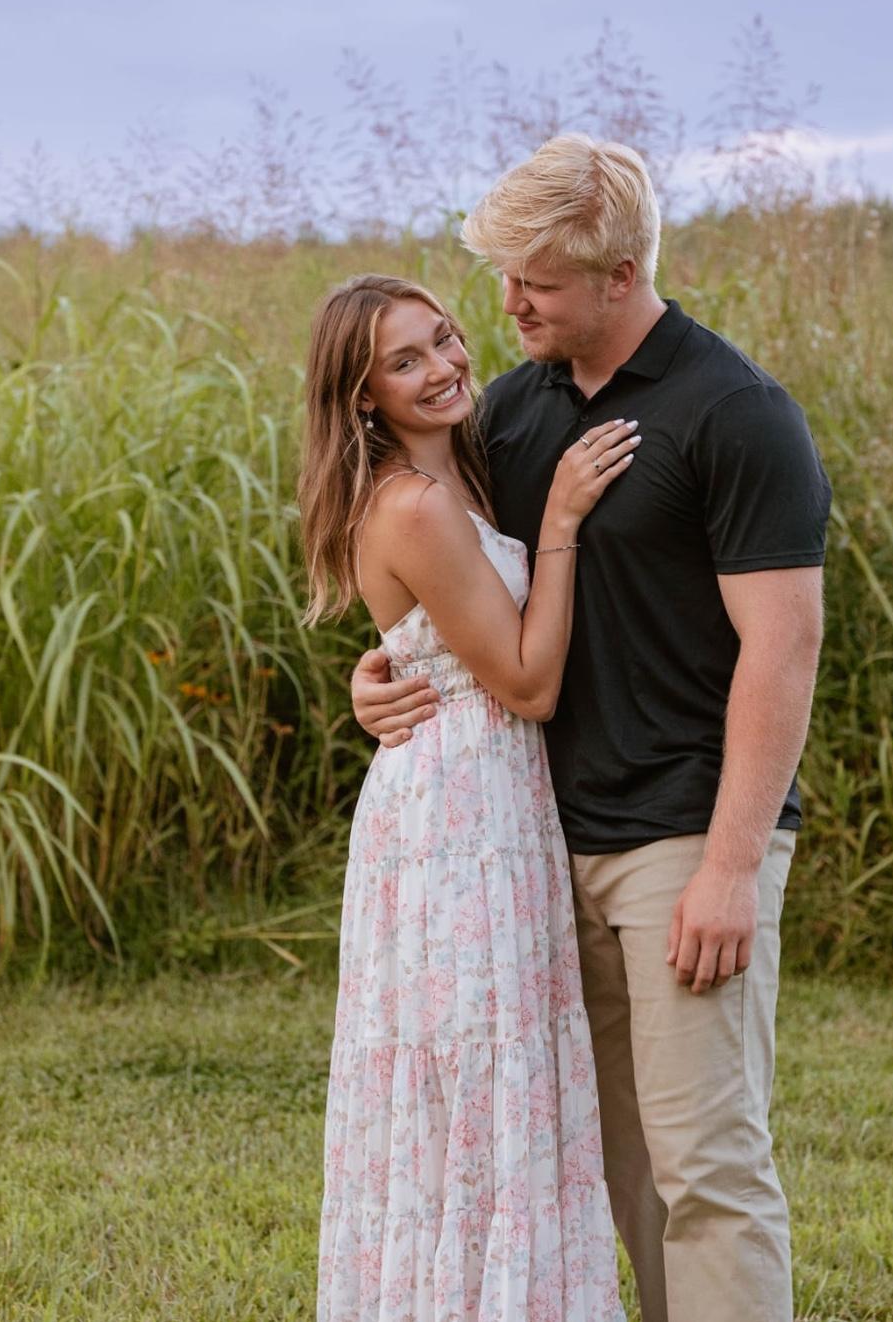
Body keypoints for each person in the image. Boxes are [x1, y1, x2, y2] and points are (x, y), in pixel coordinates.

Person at [350, 136, 832, 1322]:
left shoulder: (736, 412)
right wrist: (379, 675)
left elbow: (784, 648)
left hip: (683, 834)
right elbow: (459, 585)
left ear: (620, 273)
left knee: (706, 1166)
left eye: (537, 283)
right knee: (616, 1167)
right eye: (504, 277)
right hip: (536, 842)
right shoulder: (512, 413)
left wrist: (728, 867)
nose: (506, 304)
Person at [299, 272, 634, 1321]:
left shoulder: (457, 483)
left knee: (480, 1074)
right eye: (405, 361)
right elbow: (527, 682)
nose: (443, 367)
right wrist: (568, 517)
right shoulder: (418, 504)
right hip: (460, 817)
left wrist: (377, 676)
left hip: (472, 798)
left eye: (443, 339)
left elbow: (429, 645)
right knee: (477, 1072)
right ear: (364, 397)